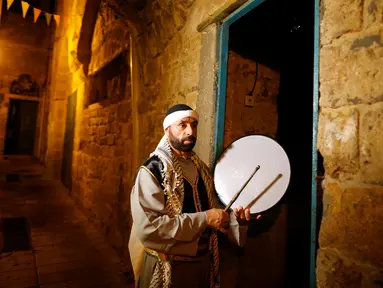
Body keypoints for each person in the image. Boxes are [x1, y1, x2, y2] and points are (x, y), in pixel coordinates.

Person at [129, 104, 258, 288]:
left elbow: (216, 219)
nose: (190, 131)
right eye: (182, 125)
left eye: (194, 125)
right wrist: (205, 219)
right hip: (168, 269)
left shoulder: (202, 170)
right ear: (167, 130)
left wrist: (238, 223)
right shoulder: (153, 171)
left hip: (202, 267)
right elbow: (150, 228)